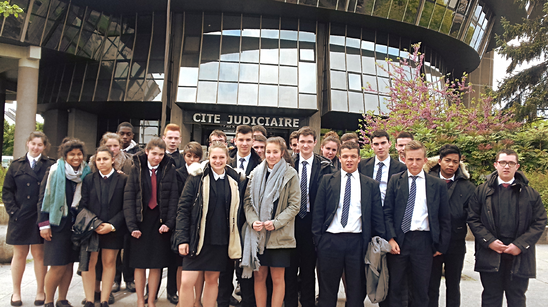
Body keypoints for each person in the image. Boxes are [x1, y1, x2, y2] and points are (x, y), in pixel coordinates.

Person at [467, 149, 547, 307]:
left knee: (517, 297)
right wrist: (488, 241)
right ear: (496, 165)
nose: (506, 166)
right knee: (491, 297)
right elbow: (473, 218)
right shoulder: (482, 191)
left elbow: (539, 222)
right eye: (503, 162)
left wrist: (520, 245)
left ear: (517, 166)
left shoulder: (531, 194)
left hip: (519, 255)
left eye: (511, 163)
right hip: (490, 253)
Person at [312, 141, 386, 307]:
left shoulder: (370, 184)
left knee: (356, 292)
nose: (349, 160)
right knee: (327, 292)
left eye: (353, 156)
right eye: (345, 156)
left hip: (357, 242)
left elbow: (376, 217)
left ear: (359, 159)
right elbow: (318, 212)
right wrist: (319, 241)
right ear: (340, 158)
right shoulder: (327, 181)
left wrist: (379, 243)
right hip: (330, 241)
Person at [175, 141, 244, 307]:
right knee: (186, 281)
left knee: (212, 281)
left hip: (220, 240)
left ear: (227, 158)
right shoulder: (196, 178)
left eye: (221, 157)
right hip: (197, 238)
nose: (218, 161)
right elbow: (183, 209)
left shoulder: (234, 179)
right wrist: (182, 239)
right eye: (214, 157)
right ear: (209, 158)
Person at [383, 140, 451, 307]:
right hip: (400, 241)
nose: (414, 163)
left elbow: (444, 217)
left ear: (425, 160)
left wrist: (441, 246)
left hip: (424, 241)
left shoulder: (437, 184)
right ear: (404, 159)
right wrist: (390, 239)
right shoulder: (395, 181)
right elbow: (387, 212)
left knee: (422, 289)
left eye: (418, 159)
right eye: (410, 159)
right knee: (395, 287)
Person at [242, 136, 300, 307]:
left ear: (282, 153)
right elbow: (247, 202)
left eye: (275, 152)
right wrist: (253, 221)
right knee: (259, 276)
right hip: (258, 235)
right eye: (268, 152)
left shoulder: (291, 174)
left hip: (279, 236)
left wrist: (276, 222)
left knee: (277, 278)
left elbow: (295, 205)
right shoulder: (255, 173)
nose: (272, 155)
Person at [123, 137, 178, 307]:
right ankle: (140, 300)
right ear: (147, 152)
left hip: (159, 223)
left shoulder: (169, 169)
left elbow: (174, 198)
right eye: (154, 153)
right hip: (141, 221)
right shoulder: (136, 169)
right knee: (139, 264)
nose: (157, 157)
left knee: (156, 265)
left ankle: (152, 300)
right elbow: (129, 198)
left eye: (161, 154)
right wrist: (132, 225)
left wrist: (169, 223)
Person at [3, 131, 55, 307]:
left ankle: (41, 291)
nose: (36, 147)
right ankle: (16, 292)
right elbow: (7, 191)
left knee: (39, 255)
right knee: (19, 255)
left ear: (44, 147)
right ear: (27, 144)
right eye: (33, 144)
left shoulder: (50, 165)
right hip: (20, 217)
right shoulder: (16, 165)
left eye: (40, 145)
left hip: (40, 216)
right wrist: (13, 212)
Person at [38, 138, 91, 307]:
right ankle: (48, 301)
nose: (76, 157)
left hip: (76, 225)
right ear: (65, 156)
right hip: (56, 224)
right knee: (57, 265)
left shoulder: (86, 172)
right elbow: (43, 199)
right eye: (72, 154)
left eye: (79, 154)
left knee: (69, 264)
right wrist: (44, 224)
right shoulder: (54, 171)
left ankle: (62, 299)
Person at [285, 126, 333, 307]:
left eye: (308, 141)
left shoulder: (325, 166)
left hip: (313, 223)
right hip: (291, 222)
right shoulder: (289, 163)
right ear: (297, 144)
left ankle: (307, 303)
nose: (305, 145)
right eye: (301, 142)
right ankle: (289, 302)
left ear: (315, 143)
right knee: (289, 269)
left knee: (308, 269)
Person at [425, 145, 475, 307]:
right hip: (432, 241)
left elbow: (472, 214)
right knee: (431, 286)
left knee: (453, 285)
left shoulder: (467, 186)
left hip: (456, 242)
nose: (451, 165)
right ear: (439, 161)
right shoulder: (427, 181)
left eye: (455, 161)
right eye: (447, 161)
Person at [79, 146, 128, 307]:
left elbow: (125, 207)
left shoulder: (123, 179)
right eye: (98, 159)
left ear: (113, 160)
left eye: (105, 159)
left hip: (113, 230)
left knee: (109, 263)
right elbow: (83, 205)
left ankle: (105, 299)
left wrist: (112, 225)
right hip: (92, 229)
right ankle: (90, 299)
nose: (102, 162)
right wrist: (96, 224)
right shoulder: (88, 179)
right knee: (90, 263)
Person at [218, 125, 262, 307]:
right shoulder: (226, 162)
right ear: (234, 141)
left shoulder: (261, 165)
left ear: (253, 141)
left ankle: (248, 301)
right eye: (241, 140)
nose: (244, 143)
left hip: (248, 223)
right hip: (226, 222)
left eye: (248, 140)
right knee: (225, 265)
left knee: (246, 265)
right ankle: (223, 300)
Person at [159, 123, 186, 305]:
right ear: (164, 138)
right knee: (156, 257)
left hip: (175, 214)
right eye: (170, 137)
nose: (173, 141)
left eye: (176, 138)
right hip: (157, 213)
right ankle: (150, 291)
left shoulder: (183, 160)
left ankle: (171, 291)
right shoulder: (157, 157)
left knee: (174, 259)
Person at [358, 130, 406, 203]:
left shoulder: (401, 168)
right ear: (372, 146)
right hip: (368, 209)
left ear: (389, 144)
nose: (380, 147)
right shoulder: (362, 165)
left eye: (383, 143)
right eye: (376, 144)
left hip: (389, 209)